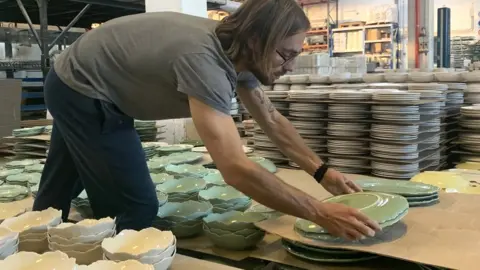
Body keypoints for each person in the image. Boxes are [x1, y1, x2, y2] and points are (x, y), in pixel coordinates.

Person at [33, 0, 381, 240]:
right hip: (82, 88)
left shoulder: (239, 53)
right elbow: (233, 168)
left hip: (76, 75)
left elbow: (271, 119)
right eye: (285, 54)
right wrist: (318, 212)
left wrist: (321, 172)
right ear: (257, 40)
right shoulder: (205, 62)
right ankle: (117, 254)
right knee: (135, 206)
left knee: (57, 191)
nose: (290, 66)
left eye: (296, 56)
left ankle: (32, 242)